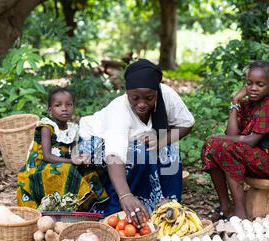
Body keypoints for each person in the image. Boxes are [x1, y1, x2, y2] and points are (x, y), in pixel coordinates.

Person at [77, 59, 195, 226]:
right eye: (135, 98)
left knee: (170, 152)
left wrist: (162, 140)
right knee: (139, 154)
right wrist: (125, 195)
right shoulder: (119, 110)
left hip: (137, 140)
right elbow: (114, 155)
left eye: (149, 98)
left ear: (157, 92)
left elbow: (187, 123)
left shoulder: (167, 95)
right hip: (95, 141)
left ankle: (168, 207)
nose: (141, 104)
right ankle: (121, 209)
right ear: (127, 93)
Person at [201, 60, 269, 221]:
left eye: (260, 84)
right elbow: (232, 133)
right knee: (212, 148)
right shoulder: (247, 105)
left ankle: (240, 213)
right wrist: (235, 102)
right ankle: (225, 207)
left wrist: (219, 138)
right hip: (259, 158)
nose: (253, 88)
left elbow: (250, 141)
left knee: (221, 145)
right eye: (249, 83)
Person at [16, 87, 108, 210]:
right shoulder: (47, 127)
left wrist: (82, 158)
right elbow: (47, 156)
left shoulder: (72, 129)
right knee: (67, 169)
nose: (64, 108)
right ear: (50, 110)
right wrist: (72, 162)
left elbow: (74, 154)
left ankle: (88, 206)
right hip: (41, 165)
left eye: (69, 105)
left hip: (61, 162)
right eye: (58, 105)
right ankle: (61, 205)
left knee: (88, 169)